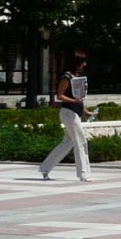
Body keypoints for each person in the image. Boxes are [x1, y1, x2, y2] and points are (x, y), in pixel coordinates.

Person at [41, 52, 94, 182]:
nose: (85, 64)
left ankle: (45, 168)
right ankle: (83, 174)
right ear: (76, 62)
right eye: (83, 62)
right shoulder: (66, 77)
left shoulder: (76, 77)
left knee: (67, 143)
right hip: (68, 113)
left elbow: (78, 98)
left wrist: (85, 110)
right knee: (80, 142)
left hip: (74, 113)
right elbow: (60, 96)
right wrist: (74, 102)